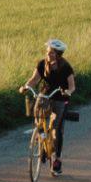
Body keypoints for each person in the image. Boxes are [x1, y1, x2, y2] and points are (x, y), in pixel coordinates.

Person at [27, 39, 78, 174]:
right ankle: (41, 136)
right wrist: (26, 86)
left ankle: (57, 160)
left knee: (56, 129)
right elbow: (34, 79)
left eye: (52, 53)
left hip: (61, 98)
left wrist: (68, 91)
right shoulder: (42, 64)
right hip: (46, 96)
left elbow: (72, 86)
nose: (48, 55)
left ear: (58, 54)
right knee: (38, 114)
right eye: (48, 52)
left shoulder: (65, 67)